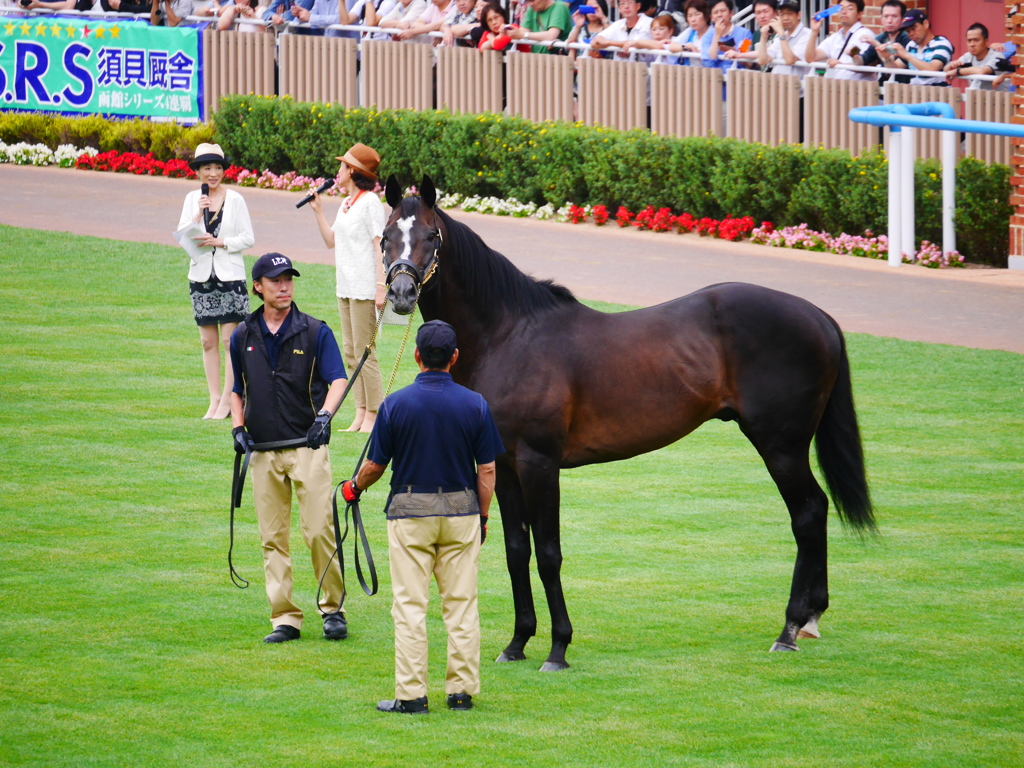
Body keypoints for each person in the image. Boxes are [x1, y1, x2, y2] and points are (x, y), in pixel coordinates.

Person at [342, 320, 504, 714]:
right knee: (462, 605)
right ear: (454, 358)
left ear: (417, 356)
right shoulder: (475, 404)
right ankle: (461, 692)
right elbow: (487, 471)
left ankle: (412, 696)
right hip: (461, 512)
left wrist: (354, 488)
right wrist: (481, 517)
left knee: (410, 608)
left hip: (409, 515)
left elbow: (376, 466)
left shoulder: (396, 404)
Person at [229, 253, 349, 644]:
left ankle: (333, 609)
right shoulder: (242, 336)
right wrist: (237, 428)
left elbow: (337, 381)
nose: (284, 287)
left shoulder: (316, 332)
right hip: (263, 451)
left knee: (318, 531)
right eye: (275, 280)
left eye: (288, 279)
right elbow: (236, 389)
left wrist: (324, 418)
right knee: (272, 537)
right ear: (258, 287)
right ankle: (284, 617)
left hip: (307, 448)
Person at [307, 144, 386, 434]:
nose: (337, 171)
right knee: (351, 352)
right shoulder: (346, 204)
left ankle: (375, 414)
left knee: (366, 352)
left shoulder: (370, 203)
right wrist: (318, 211)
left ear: (352, 171)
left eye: (342, 166)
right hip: (346, 287)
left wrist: (381, 286)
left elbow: (381, 245)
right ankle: (361, 410)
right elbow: (332, 241)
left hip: (366, 288)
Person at [177, 143, 254, 421]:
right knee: (207, 341)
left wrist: (220, 242)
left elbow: (248, 238)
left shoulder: (235, 199)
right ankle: (214, 399)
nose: (213, 173)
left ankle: (231, 399)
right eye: (207, 168)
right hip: (200, 276)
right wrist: (198, 214)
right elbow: (185, 240)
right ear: (197, 171)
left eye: (218, 167)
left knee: (228, 339)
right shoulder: (191, 199)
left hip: (230, 277)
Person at [804, 0, 877, 81]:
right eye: (841, 8)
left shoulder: (864, 35)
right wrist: (814, 31)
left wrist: (841, 65)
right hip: (837, 88)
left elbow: (867, 65)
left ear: (860, 14)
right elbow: (810, 58)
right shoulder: (835, 37)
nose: (844, 12)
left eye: (850, 9)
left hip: (857, 89)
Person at [882, 9, 954, 86]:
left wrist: (907, 55)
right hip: (915, 94)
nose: (911, 33)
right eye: (908, 31)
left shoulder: (942, 43)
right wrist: (887, 58)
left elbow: (932, 69)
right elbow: (894, 70)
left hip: (938, 94)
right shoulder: (911, 45)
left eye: (914, 28)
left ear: (926, 24)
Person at [944, 23, 1012, 92]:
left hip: (998, 100)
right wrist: (951, 65)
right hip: (976, 100)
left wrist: (958, 71)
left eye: (976, 40)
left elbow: (982, 71)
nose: (972, 44)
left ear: (986, 41)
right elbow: (946, 70)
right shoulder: (968, 56)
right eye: (969, 40)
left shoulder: (997, 56)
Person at [856, 0, 910, 84]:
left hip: (904, 88)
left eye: (894, 16)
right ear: (881, 18)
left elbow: (894, 69)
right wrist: (852, 54)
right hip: (883, 88)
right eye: (886, 16)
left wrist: (876, 44)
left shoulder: (907, 38)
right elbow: (863, 61)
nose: (889, 21)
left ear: (903, 19)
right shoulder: (880, 38)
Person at [756, 0, 810, 78]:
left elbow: (790, 60)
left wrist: (781, 33)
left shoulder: (807, 34)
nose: (785, 18)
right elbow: (762, 60)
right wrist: (763, 36)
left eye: (789, 14)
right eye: (782, 14)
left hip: (796, 86)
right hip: (777, 84)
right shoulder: (782, 36)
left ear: (798, 15)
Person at [701, 0, 752, 72]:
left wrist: (735, 53)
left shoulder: (745, 34)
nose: (719, 15)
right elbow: (708, 63)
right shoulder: (707, 36)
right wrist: (717, 35)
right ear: (711, 17)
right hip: (715, 78)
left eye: (723, 11)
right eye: (715, 12)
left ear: (731, 13)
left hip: (737, 77)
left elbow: (747, 63)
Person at [505, 0, 573, 54]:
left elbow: (551, 36)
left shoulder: (559, 7)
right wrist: (510, 31)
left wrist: (523, 35)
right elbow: (522, 31)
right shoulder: (531, 9)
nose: (530, 4)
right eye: (528, 1)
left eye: (532, 0)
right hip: (537, 59)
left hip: (557, 60)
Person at [724, 0, 775, 67]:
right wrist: (743, 53)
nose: (762, 16)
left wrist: (740, 54)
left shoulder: (781, 33)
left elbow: (768, 52)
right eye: (758, 13)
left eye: (765, 11)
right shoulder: (756, 34)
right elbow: (750, 65)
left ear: (776, 12)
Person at [676, 0, 709, 66]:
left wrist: (695, 51)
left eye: (697, 14)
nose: (693, 19)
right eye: (690, 16)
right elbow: (672, 46)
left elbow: (711, 61)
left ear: (706, 15)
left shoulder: (714, 33)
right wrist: (687, 48)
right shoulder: (690, 31)